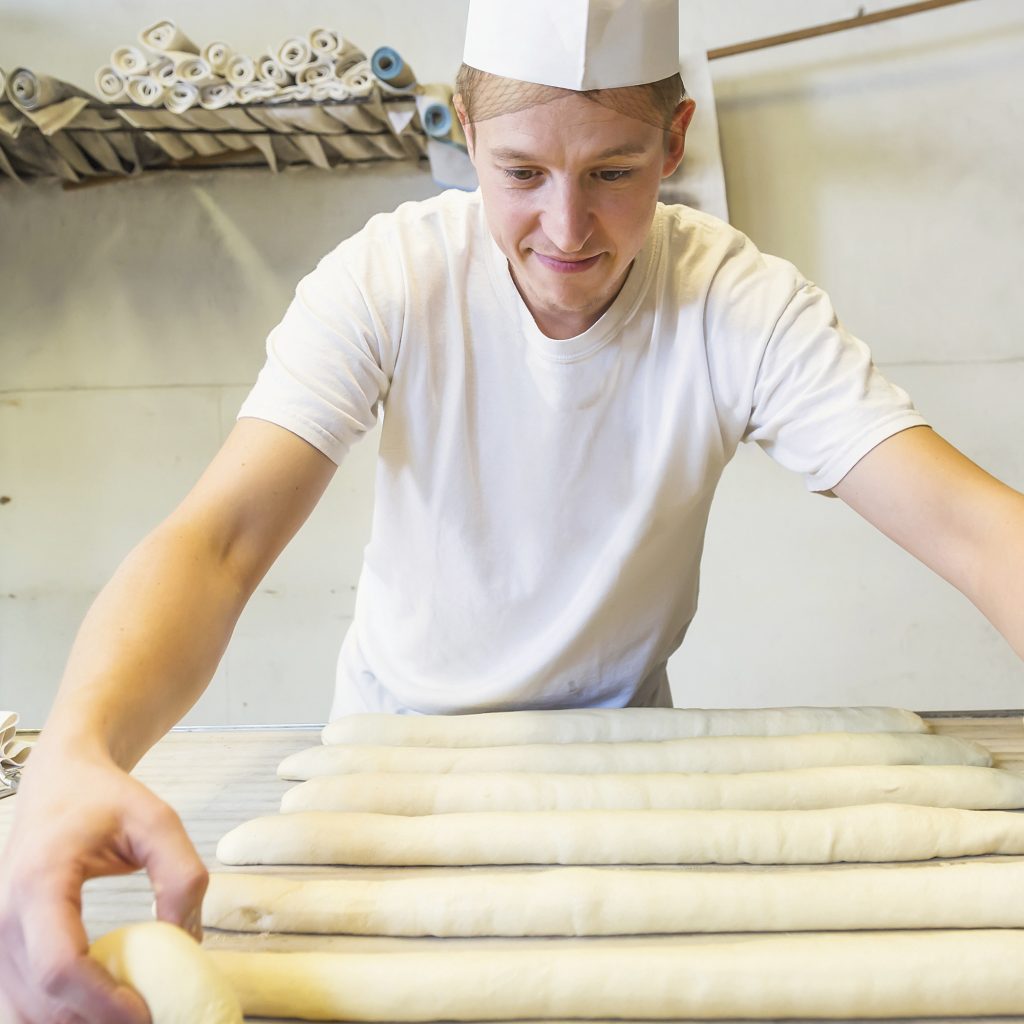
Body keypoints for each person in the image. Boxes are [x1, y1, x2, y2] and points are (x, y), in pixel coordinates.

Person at [2, 0, 1022, 1020]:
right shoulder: (390, 280)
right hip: (384, 769)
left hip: (626, 775)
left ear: (673, 142)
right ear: (466, 132)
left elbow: (977, 532)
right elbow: (219, 543)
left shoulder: (736, 305)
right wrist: (74, 754)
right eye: (522, 173)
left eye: (612, 172)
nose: (566, 229)